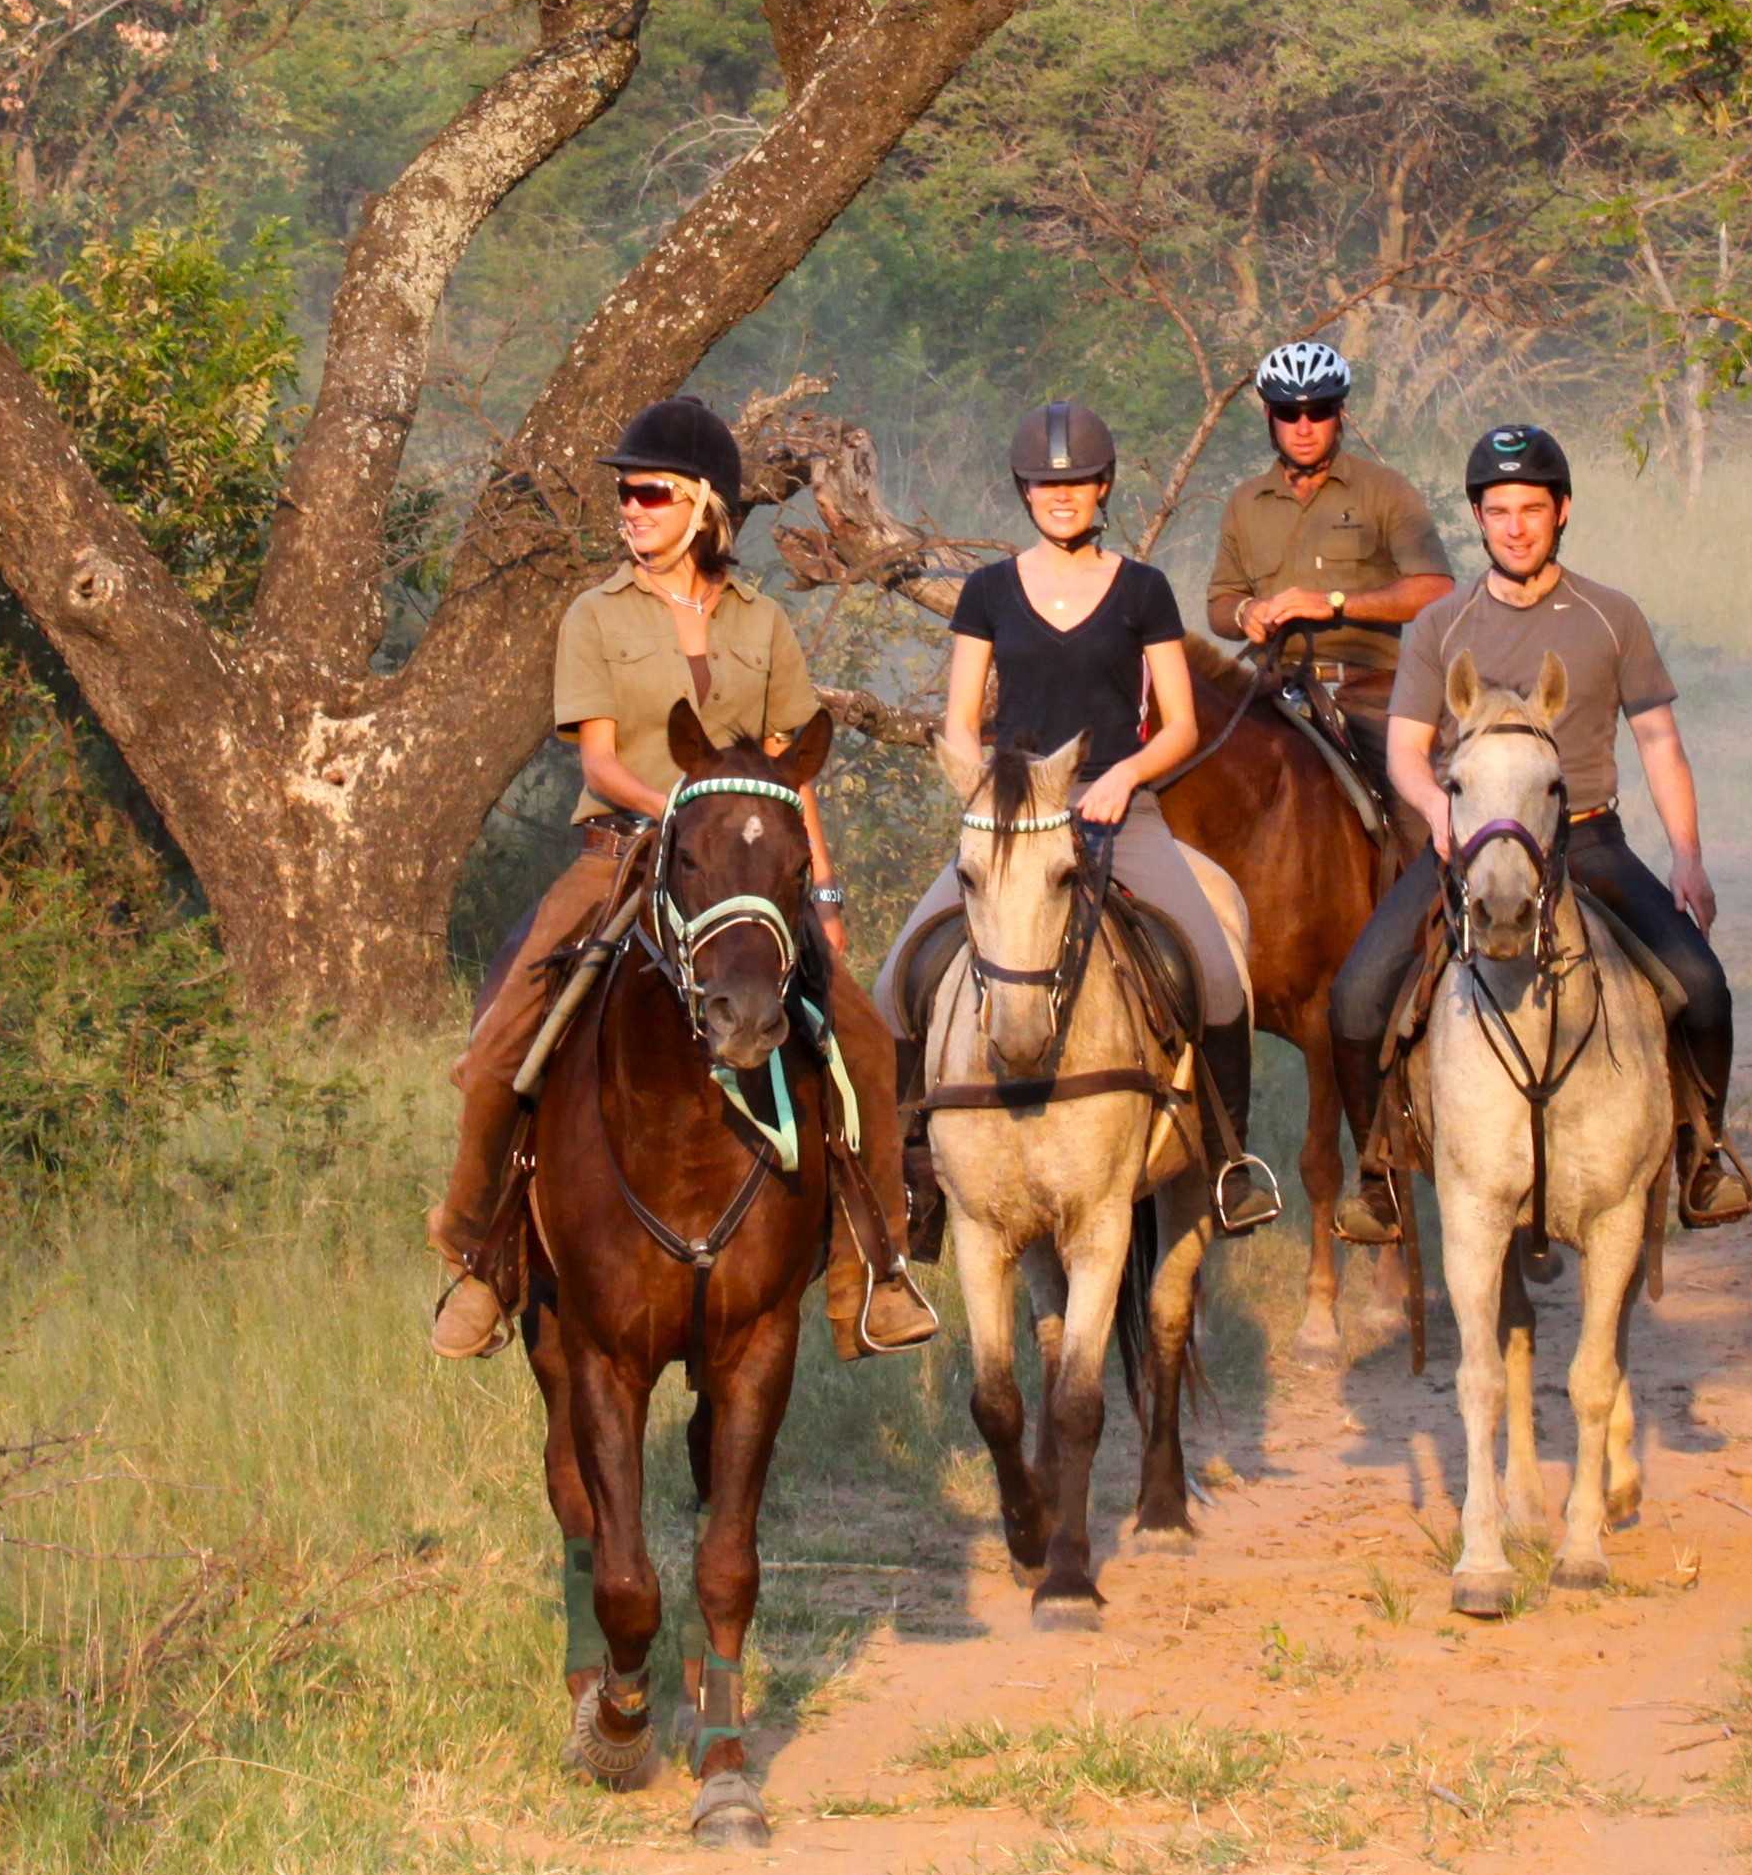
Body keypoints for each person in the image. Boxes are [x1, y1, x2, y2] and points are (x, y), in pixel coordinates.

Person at [426, 394, 943, 1364]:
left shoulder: (763, 623)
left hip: (749, 869)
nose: (630, 509)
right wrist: (686, 820)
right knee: (501, 1051)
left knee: (868, 1051)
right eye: (625, 494)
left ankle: (871, 1274)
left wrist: (823, 899)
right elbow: (601, 762)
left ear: (704, 506)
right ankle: (476, 1260)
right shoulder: (597, 614)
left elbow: (792, 778)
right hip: (625, 849)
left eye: (650, 493)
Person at [1320, 425, 1752, 1235]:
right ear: (1478, 520)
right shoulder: (1440, 625)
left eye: (1531, 508)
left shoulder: (1610, 616)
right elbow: (1410, 752)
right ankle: (1378, 1168)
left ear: (1561, 513)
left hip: (1585, 839)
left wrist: (1689, 859)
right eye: (1497, 510)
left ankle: (1702, 1154)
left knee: (1701, 986)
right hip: (1468, 846)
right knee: (1354, 998)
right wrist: (1442, 814)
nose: (1514, 526)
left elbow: (1660, 743)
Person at [879, 403, 1287, 1237]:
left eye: (1076, 482)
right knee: (897, 983)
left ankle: (1228, 1165)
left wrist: (1127, 774)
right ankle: (915, 1177)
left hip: (1117, 807)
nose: (1061, 496)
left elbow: (1176, 721)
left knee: (1211, 972)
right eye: (1045, 484)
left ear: (1103, 487)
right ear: (1024, 492)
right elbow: (961, 718)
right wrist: (976, 783)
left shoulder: (1143, 590)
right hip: (1016, 818)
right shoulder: (989, 591)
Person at [1202, 339, 1458, 807]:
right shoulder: (1245, 503)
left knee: (1420, 812)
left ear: (1339, 413)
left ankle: (1433, 877)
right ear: (1269, 416)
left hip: (1367, 691)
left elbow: (1437, 590)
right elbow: (1219, 605)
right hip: (1269, 690)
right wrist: (1246, 612)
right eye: (1288, 412)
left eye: (1318, 411)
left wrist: (1335, 602)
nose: (1303, 427)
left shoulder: (1385, 490)